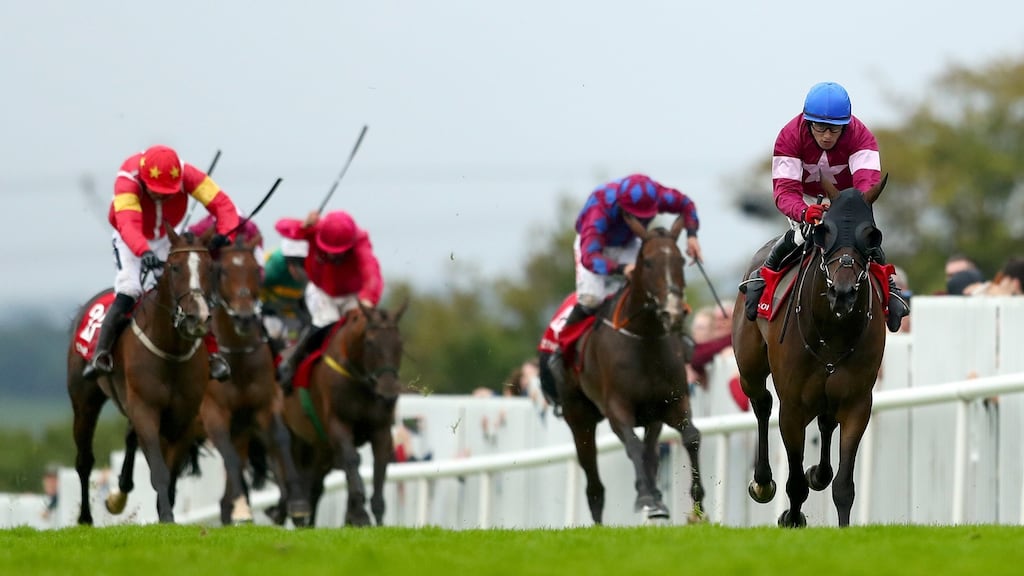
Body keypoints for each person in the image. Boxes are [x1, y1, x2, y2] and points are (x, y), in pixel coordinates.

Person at [740, 81, 909, 332]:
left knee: (862, 239)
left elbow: (867, 184)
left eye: (835, 129)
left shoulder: (861, 137)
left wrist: (848, 209)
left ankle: (891, 291)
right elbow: (785, 191)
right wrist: (804, 211)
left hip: (848, 201)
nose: (827, 135)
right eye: (820, 127)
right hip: (805, 199)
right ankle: (763, 275)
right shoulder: (789, 136)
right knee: (803, 235)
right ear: (808, 122)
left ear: (846, 125)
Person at [82, 145, 239, 381]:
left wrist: (226, 234)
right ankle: (101, 353)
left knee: (190, 291)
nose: (162, 197)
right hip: (130, 238)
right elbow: (128, 223)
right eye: (156, 191)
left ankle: (213, 355)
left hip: (167, 236)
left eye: (168, 193)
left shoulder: (188, 174)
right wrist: (143, 251)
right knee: (130, 289)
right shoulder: (127, 177)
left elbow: (223, 205)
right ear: (144, 179)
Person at [545, 174, 703, 396]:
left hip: (629, 242)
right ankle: (563, 351)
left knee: (656, 285)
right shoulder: (599, 209)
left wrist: (692, 235)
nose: (643, 220)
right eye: (637, 216)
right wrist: (621, 269)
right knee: (591, 299)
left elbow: (687, 205)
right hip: (595, 247)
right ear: (621, 207)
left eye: (646, 216)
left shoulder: (659, 195)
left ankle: (679, 334)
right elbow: (590, 257)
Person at [274, 210, 383, 392]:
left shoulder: (361, 240)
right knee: (325, 328)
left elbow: (371, 273)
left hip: (352, 295)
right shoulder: (315, 229)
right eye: (328, 251)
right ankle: (291, 366)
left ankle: (379, 376)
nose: (332, 257)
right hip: (322, 292)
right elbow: (281, 226)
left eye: (338, 254)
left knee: (363, 333)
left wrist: (367, 301)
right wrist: (302, 225)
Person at [260, 221, 311, 351]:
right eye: (298, 265)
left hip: (292, 313)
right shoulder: (272, 267)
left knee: (294, 337)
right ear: (289, 262)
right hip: (269, 311)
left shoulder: (312, 266)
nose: (301, 271)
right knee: (273, 335)